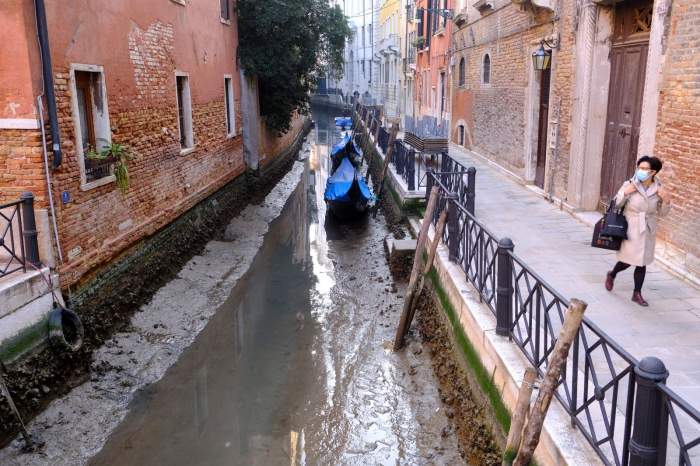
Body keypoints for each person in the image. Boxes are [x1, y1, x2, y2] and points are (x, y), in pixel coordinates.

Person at [605, 156, 671, 306]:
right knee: (627, 260)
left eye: (644, 168)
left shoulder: (659, 189)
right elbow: (615, 205)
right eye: (639, 168)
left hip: (648, 228)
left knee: (642, 262)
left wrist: (666, 200)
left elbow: (663, 213)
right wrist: (626, 193)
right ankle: (612, 274)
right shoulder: (629, 184)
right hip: (631, 227)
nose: (640, 171)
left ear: (653, 172)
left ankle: (637, 293)